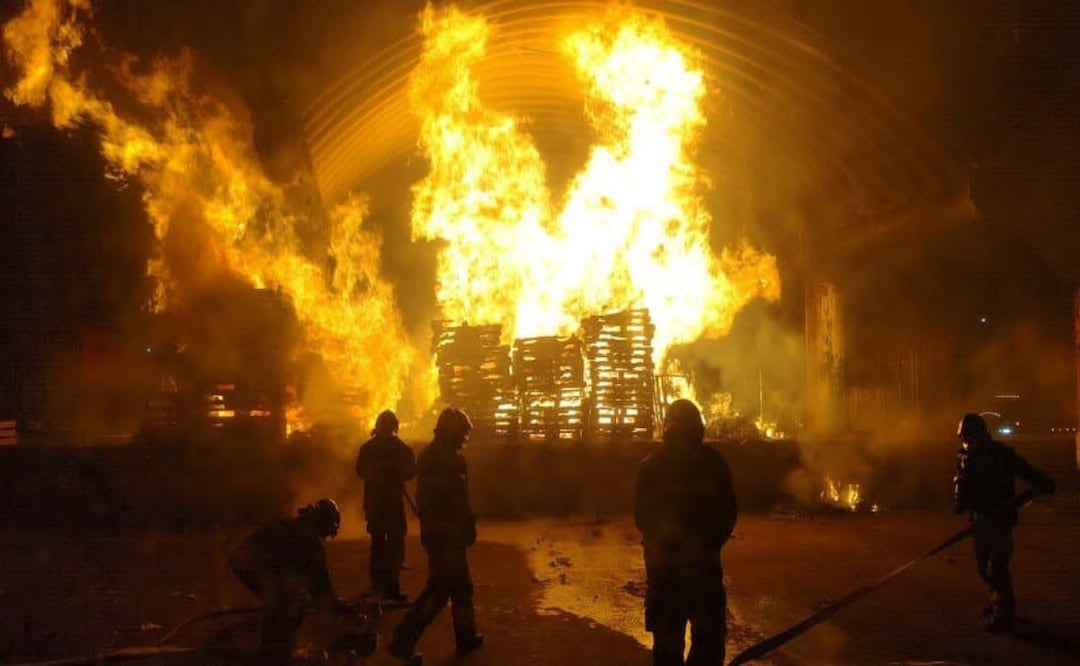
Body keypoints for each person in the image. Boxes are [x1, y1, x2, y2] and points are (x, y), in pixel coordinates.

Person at [635, 399, 738, 666]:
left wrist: (666, 546)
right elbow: (727, 514)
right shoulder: (714, 464)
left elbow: (642, 518)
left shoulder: (651, 466)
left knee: (668, 650)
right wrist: (707, 545)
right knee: (708, 646)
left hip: (665, 576)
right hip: (703, 574)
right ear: (698, 428)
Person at [389, 407, 483, 665]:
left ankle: (466, 637)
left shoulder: (428, 456)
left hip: (435, 530)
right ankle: (402, 640)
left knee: (461, 587)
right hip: (448, 534)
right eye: (462, 433)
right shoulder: (453, 461)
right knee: (440, 590)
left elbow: (426, 497)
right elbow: (458, 498)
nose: (464, 438)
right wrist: (466, 524)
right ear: (453, 431)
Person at [953, 412, 1055, 633]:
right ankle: (997, 602)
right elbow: (963, 491)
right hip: (981, 519)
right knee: (984, 567)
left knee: (997, 566)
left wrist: (1041, 481)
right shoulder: (965, 458)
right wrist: (961, 503)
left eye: (969, 437)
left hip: (1000, 519)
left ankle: (1004, 613)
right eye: (965, 438)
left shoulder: (1000, 454)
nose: (967, 442)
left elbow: (1025, 469)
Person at [228, 498, 350, 665]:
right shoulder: (311, 540)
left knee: (282, 598)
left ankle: (274, 643)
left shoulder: (295, 526)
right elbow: (321, 587)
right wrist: (336, 606)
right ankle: (277, 647)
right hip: (255, 563)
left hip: (243, 559)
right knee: (292, 600)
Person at [356, 409, 417, 601]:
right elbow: (410, 472)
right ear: (395, 427)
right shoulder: (401, 448)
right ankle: (390, 586)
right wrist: (392, 471)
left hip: (376, 504)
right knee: (394, 544)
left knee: (379, 544)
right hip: (390, 504)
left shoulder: (367, 448)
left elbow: (361, 471)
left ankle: (378, 585)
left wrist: (383, 472)